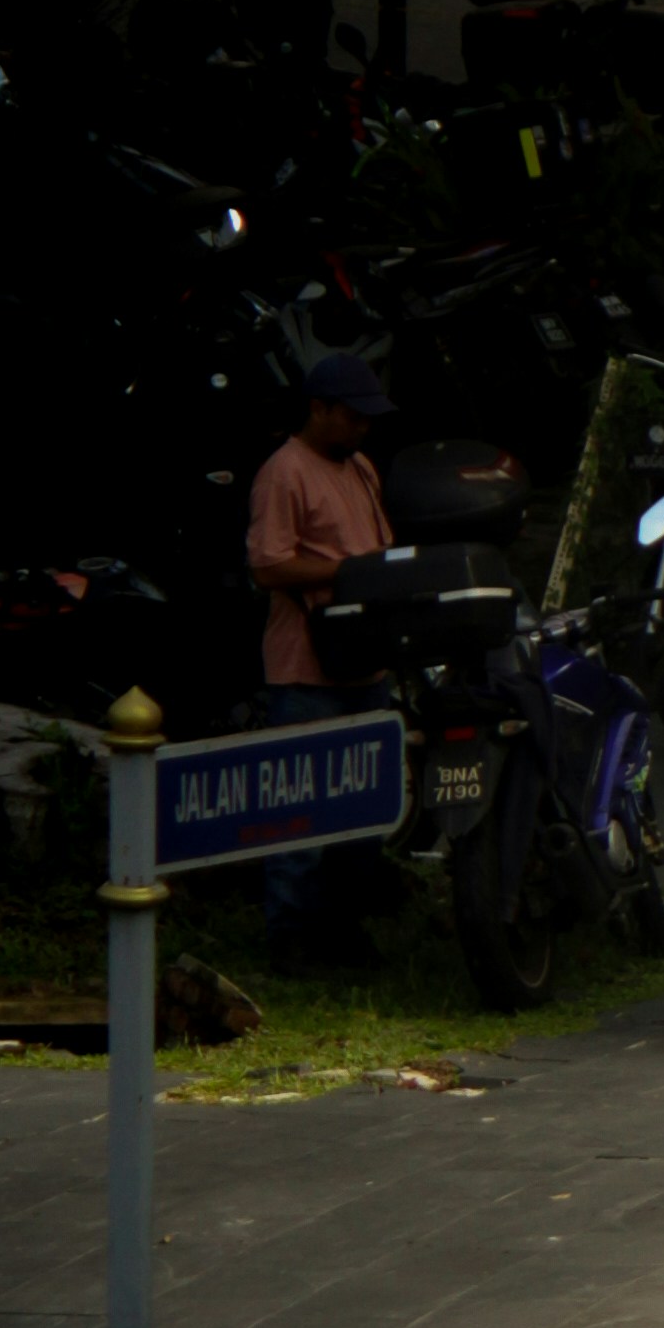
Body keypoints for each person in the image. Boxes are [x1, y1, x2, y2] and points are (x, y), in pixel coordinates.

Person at [244, 352, 391, 955]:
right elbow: (268, 565)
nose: (361, 428)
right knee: (299, 809)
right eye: (351, 417)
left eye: (366, 419)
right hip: (306, 666)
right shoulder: (284, 472)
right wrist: (348, 572)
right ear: (318, 409)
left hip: (364, 659)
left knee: (362, 807)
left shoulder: (361, 468)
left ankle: (343, 928)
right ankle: (291, 935)